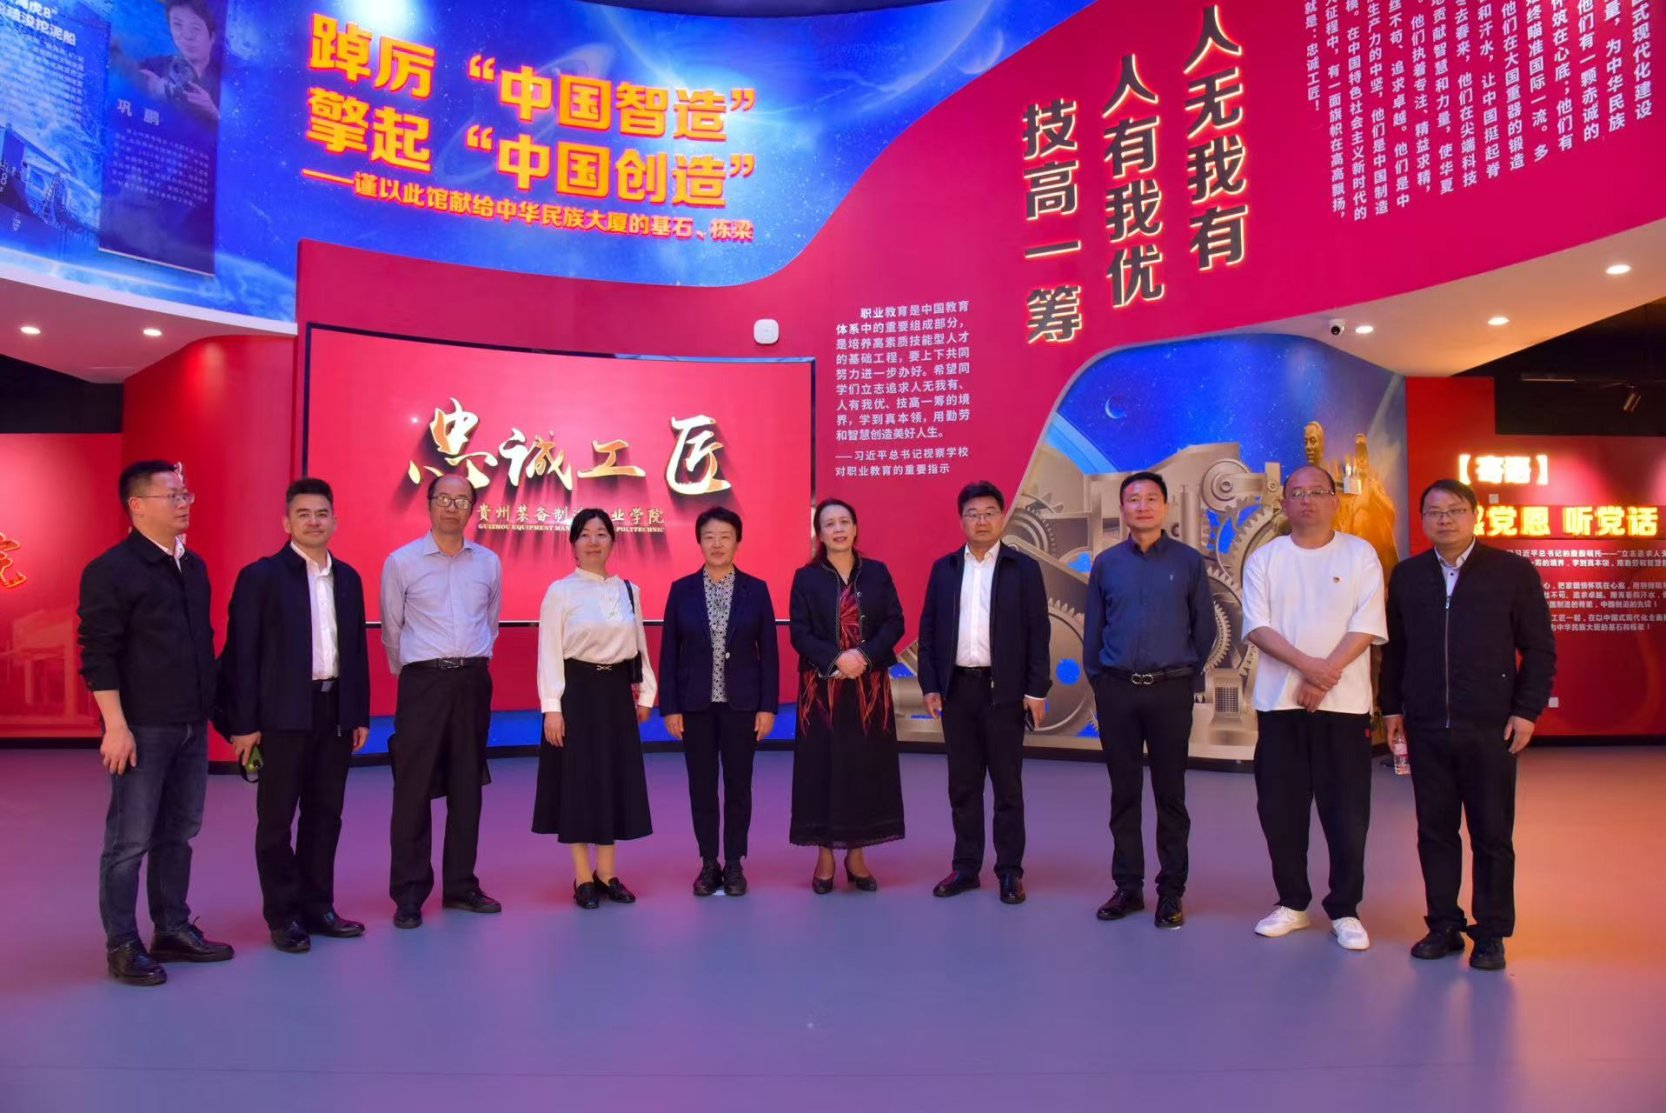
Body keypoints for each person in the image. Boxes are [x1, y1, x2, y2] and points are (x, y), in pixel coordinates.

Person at [1381, 479, 1556, 972]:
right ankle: (1443, 925)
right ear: (1422, 520)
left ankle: (1492, 932)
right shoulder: (1408, 576)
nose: (1444, 520)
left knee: (1492, 833)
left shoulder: (1512, 572)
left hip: (1491, 727)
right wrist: (1391, 708)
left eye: (1454, 510)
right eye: (1434, 512)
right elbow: (1395, 650)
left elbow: (1539, 648)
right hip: (1427, 726)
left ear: (1474, 516)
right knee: (1435, 831)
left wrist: (1527, 710)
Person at [78, 461, 233, 986]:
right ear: (138, 506)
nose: (184, 502)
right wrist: (115, 726)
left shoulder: (194, 567)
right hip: (142, 728)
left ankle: (172, 927)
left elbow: (201, 645)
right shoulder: (111, 570)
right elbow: (98, 653)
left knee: (179, 833)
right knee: (129, 841)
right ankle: (123, 943)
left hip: (191, 725)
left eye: (186, 494)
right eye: (173, 495)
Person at [1241, 464, 1388, 951]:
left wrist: (1325, 676)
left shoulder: (1360, 554)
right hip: (1279, 706)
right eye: (1298, 493)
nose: (1307, 500)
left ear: (1334, 500)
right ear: (1284, 503)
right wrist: (1310, 669)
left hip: (1344, 708)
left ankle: (1345, 909)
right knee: (1280, 810)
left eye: (1317, 492)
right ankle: (1292, 903)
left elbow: (1367, 624)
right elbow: (1257, 626)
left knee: (1347, 813)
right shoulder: (1265, 559)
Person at [222, 478, 371, 953]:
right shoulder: (262, 577)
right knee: (276, 820)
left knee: (325, 815)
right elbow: (241, 655)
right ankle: (282, 915)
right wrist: (244, 724)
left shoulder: (348, 578)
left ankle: (318, 906)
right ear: (286, 522)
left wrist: (357, 713)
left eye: (322, 513)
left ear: (334, 521)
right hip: (281, 713)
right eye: (303, 514)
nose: (313, 521)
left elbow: (356, 651)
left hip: (333, 711)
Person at [1083, 471, 1217, 929]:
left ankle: (1171, 890)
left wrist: (1183, 677)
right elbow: (1094, 630)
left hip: (1169, 691)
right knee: (1124, 792)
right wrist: (1100, 681)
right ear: (1123, 508)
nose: (1142, 506)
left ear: (1165, 507)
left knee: (1170, 794)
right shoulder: (1107, 564)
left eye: (1151, 498)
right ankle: (1127, 886)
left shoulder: (1188, 561)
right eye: (1133, 499)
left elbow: (1204, 630)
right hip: (1117, 691)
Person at [918, 481, 1050, 906]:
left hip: (1004, 693)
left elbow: (1038, 632)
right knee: (963, 785)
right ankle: (966, 867)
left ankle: (1010, 871)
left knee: (1008, 787)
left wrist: (1036, 690)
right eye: (973, 514)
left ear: (1002, 517)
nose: (981, 521)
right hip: (957, 691)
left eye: (989, 512)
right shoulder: (944, 569)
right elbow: (929, 629)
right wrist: (931, 684)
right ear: (961, 521)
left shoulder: (1022, 568)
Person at [381, 474, 503, 929]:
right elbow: (392, 630)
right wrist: (417, 674)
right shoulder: (402, 562)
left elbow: (491, 623)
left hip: (472, 681)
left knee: (467, 787)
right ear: (429, 504)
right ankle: (409, 893)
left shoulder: (488, 562)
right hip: (423, 683)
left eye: (462, 500)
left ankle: (461, 885)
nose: (452, 507)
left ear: (473, 507)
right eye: (444, 499)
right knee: (412, 790)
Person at [532, 509, 658, 908]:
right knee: (579, 782)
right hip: (577, 694)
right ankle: (582, 877)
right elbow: (549, 651)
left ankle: (607, 873)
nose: (593, 541)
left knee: (612, 780)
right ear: (573, 543)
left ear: (612, 541)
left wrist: (647, 693)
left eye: (601, 533)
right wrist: (552, 707)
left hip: (616, 694)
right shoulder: (560, 591)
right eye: (584, 534)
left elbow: (639, 646)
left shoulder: (629, 590)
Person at [659, 508, 779, 898]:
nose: (717, 544)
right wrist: (670, 707)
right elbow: (669, 653)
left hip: (742, 706)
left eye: (725, 536)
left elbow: (769, 653)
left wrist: (767, 707)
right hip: (695, 706)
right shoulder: (682, 590)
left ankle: (735, 863)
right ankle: (709, 862)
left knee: (739, 787)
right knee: (702, 787)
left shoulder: (756, 590)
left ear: (737, 542)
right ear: (699, 541)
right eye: (709, 536)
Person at [789, 498, 906, 891]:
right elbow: (800, 633)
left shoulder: (877, 573)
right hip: (821, 694)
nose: (838, 529)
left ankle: (857, 855)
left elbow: (895, 622)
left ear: (855, 528)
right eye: (829, 524)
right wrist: (836, 659)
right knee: (821, 769)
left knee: (864, 768)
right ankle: (824, 855)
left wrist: (864, 656)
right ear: (819, 534)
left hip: (869, 692)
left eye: (844, 522)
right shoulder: (806, 578)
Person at [138, 0, 221, 125]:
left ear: (212, 37)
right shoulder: (157, 66)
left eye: (195, 28)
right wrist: (148, 84)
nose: (187, 36)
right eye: (177, 25)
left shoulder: (227, 81)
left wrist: (213, 113)